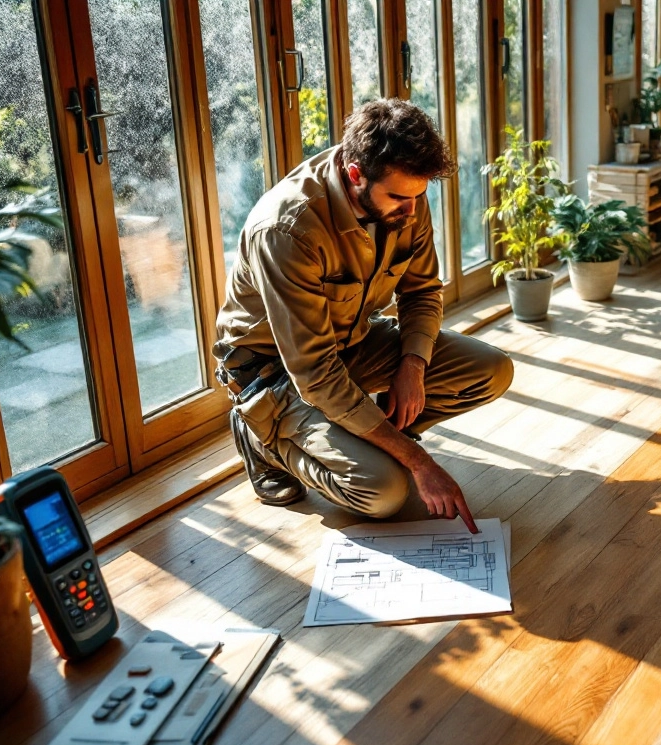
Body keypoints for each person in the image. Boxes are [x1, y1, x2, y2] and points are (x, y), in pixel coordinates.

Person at [213, 99, 512, 533]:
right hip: (276, 373)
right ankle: (264, 442)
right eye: (398, 199)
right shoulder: (286, 229)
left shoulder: (404, 195)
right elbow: (314, 373)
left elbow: (424, 291)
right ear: (355, 174)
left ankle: (365, 436)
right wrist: (418, 461)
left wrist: (412, 366)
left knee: (491, 370)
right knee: (384, 492)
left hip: (351, 343)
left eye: (418, 197)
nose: (411, 212)